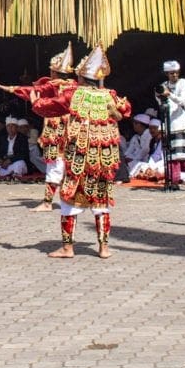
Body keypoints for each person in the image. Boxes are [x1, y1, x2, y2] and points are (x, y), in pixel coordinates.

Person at [32, 44, 131, 259]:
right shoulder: (111, 96)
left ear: (83, 78)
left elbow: (49, 107)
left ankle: (68, 248)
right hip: (104, 161)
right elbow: (126, 109)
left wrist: (36, 102)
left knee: (69, 202)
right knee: (101, 202)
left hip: (79, 158)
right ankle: (104, 248)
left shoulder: (74, 95)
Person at [0, 42, 77, 212]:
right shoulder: (76, 87)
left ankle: (48, 202)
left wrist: (12, 89)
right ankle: (68, 198)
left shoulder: (55, 86)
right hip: (74, 131)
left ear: (55, 72)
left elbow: (34, 90)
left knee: (54, 165)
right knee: (69, 165)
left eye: (51, 71)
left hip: (58, 130)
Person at [158, 60, 185, 192]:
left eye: (176, 73)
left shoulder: (184, 82)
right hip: (169, 123)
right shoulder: (163, 85)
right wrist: (162, 95)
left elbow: (182, 99)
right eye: (171, 73)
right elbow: (161, 103)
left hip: (182, 122)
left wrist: (169, 94)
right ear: (167, 74)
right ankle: (174, 181)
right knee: (172, 156)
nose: (174, 75)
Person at [123, 113, 152, 180]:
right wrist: (125, 157)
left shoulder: (148, 134)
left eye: (136, 123)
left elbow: (145, 150)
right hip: (135, 159)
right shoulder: (135, 137)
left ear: (142, 125)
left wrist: (134, 159)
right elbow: (129, 150)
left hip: (145, 160)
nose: (134, 125)